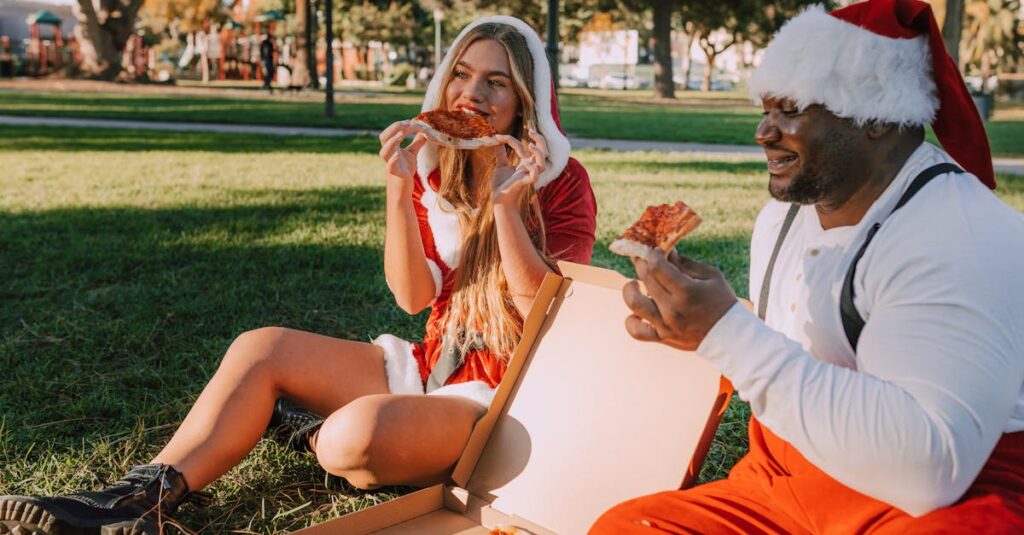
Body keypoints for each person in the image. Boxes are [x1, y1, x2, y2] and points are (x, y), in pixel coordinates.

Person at [0, 15, 596, 534]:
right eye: (462, 75)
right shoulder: (441, 169)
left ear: (526, 99)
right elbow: (413, 297)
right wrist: (398, 184)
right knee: (260, 349)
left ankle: (308, 430)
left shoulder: (562, 184)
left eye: (496, 82)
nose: (472, 94)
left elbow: (543, 323)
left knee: (350, 440)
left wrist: (504, 210)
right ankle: (135, 500)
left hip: (504, 394)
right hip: (436, 363)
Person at [593, 0, 1024, 532]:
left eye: (790, 109)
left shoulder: (963, 236)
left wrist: (724, 330)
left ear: (874, 115)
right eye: (765, 109)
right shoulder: (780, 219)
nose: (763, 132)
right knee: (626, 526)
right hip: (782, 481)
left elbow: (930, 473)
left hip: (941, 501)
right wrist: (687, 323)